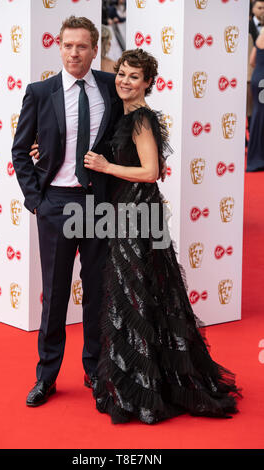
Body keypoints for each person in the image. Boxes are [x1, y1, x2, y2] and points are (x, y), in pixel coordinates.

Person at [84, 48, 242, 424]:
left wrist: (106, 165)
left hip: (138, 214)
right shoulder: (122, 115)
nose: (124, 81)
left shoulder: (140, 120)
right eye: (121, 73)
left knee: (135, 294)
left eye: (134, 76)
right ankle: (141, 378)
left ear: (148, 83)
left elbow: (151, 171)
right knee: (139, 294)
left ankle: (145, 386)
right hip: (126, 211)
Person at [12, 16, 124, 407]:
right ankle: (46, 376)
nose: (74, 52)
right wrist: (36, 202)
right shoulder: (40, 93)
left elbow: (128, 136)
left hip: (99, 204)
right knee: (55, 296)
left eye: (82, 46)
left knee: (97, 294)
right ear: (58, 46)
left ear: (95, 49)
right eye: (68, 45)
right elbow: (19, 151)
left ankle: (95, 372)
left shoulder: (112, 89)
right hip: (56, 205)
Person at [246, 23, 264, 172]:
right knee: (260, 117)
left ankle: (256, 158)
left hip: (258, 78)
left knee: (258, 115)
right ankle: (257, 159)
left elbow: (252, 61)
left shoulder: (261, 32)